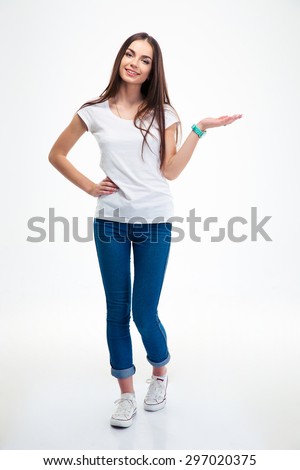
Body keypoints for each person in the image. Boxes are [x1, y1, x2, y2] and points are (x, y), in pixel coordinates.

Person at [48, 31, 242, 428]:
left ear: (154, 69)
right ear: (120, 58)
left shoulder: (165, 113)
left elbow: (169, 170)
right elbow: (57, 154)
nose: (134, 62)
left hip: (155, 222)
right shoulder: (93, 111)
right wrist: (89, 186)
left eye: (145, 59)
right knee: (116, 312)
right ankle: (125, 395)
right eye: (130, 54)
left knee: (144, 311)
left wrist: (199, 130)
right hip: (110, 223)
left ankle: (159, 372)